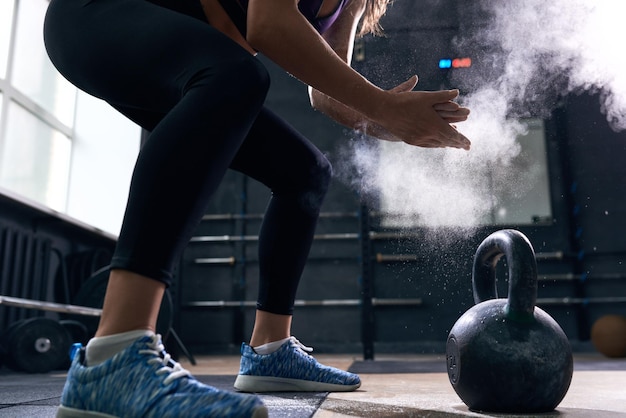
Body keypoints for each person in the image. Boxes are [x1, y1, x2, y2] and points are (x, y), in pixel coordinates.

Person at [43, 0, 471, 416]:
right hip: (95, 15)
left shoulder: (356, 2)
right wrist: (384, 106)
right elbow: (267, 23)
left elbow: (326, 94)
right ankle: (113, 357)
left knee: (304, 173)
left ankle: (270, 352)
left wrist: (397, 125)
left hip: (187, 61)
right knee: (237, 77)